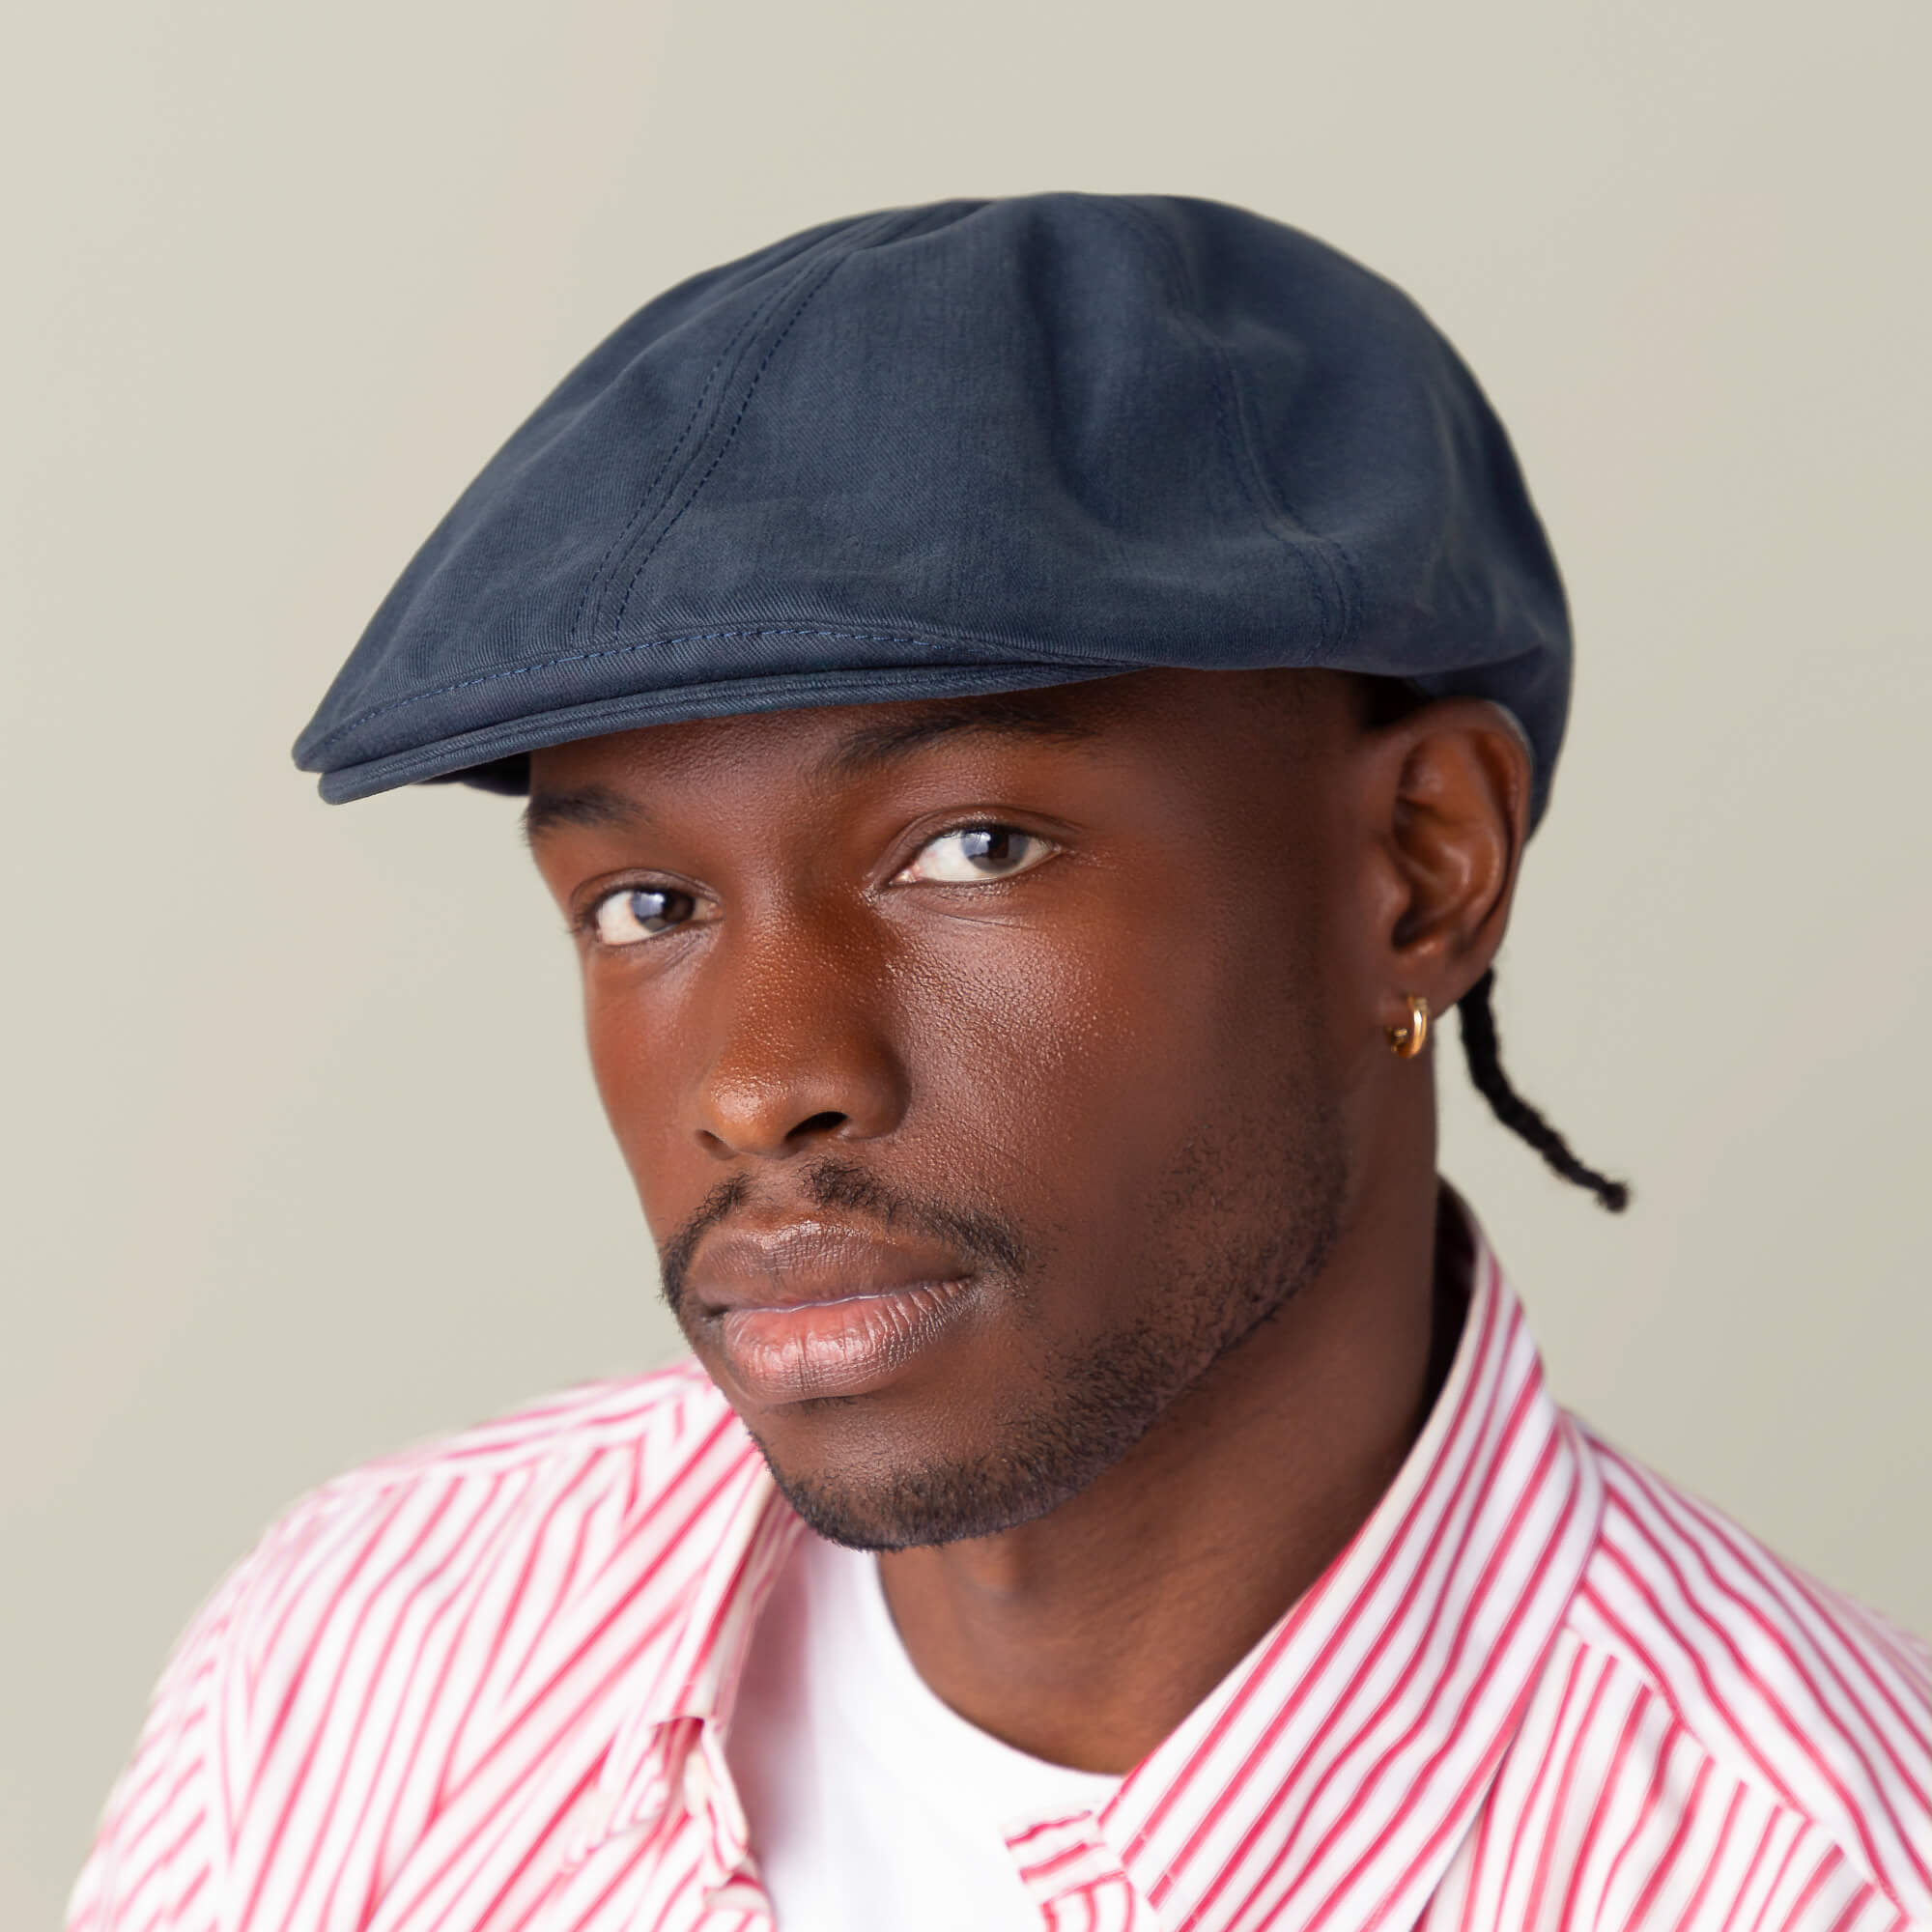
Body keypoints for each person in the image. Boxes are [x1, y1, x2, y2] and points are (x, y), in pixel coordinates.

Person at [72, 195, 1929, 1932]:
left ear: (1422, 865)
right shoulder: (363, 1646)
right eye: (644, 900)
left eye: (974, 849)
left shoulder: (1814, 1875)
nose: (759, 1082)